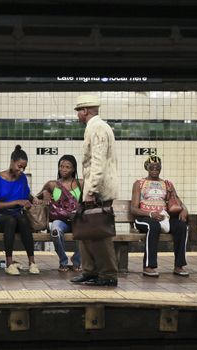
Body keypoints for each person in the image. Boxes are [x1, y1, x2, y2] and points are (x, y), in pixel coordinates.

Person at [70, 95, 119, 287]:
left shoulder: (98, 128)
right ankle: (89, 271)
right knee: (86, 231)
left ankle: (107, 274)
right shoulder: (94, 127)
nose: (77, 115)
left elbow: (98, 162)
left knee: (99, 233)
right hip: (93, 188)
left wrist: (91, 190)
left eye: (78, 111)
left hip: (98, 190)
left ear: (85, 111)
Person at [130, 156, 189, 277]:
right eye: (152, 167)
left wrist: (184, 209)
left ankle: (179, 265)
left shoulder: (167, 184)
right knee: (154, 226)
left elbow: (178, 201)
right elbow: (133, 209)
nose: (155, 169)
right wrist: (150, 214)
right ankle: (149, 266)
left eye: (158, 167)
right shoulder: (139, 184)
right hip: (144, 218)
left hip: (164, 217)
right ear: (147, 167)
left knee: (182, 227)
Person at [0, 145, 40, 276]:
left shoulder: (22, 178)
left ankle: (32, 263)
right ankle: (9, 264)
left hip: (17, 218)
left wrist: (34, 200)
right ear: (12, 161)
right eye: (19, 166)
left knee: (23, 219)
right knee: (11, 220)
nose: (21, 170)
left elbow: (27, 195)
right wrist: (17, 202)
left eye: (24, 168)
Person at [39, 155, 83, 272]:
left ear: (73, 169)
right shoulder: (52, 184)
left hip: (77, 220)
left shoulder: (80, 183)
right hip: (60, 221)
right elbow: (36, 197)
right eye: (61, 166)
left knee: (87, 232)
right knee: (55, 231)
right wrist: (45, 192)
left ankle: (77, 261)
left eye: (67, 167)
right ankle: (63, 261)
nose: (63, 169)